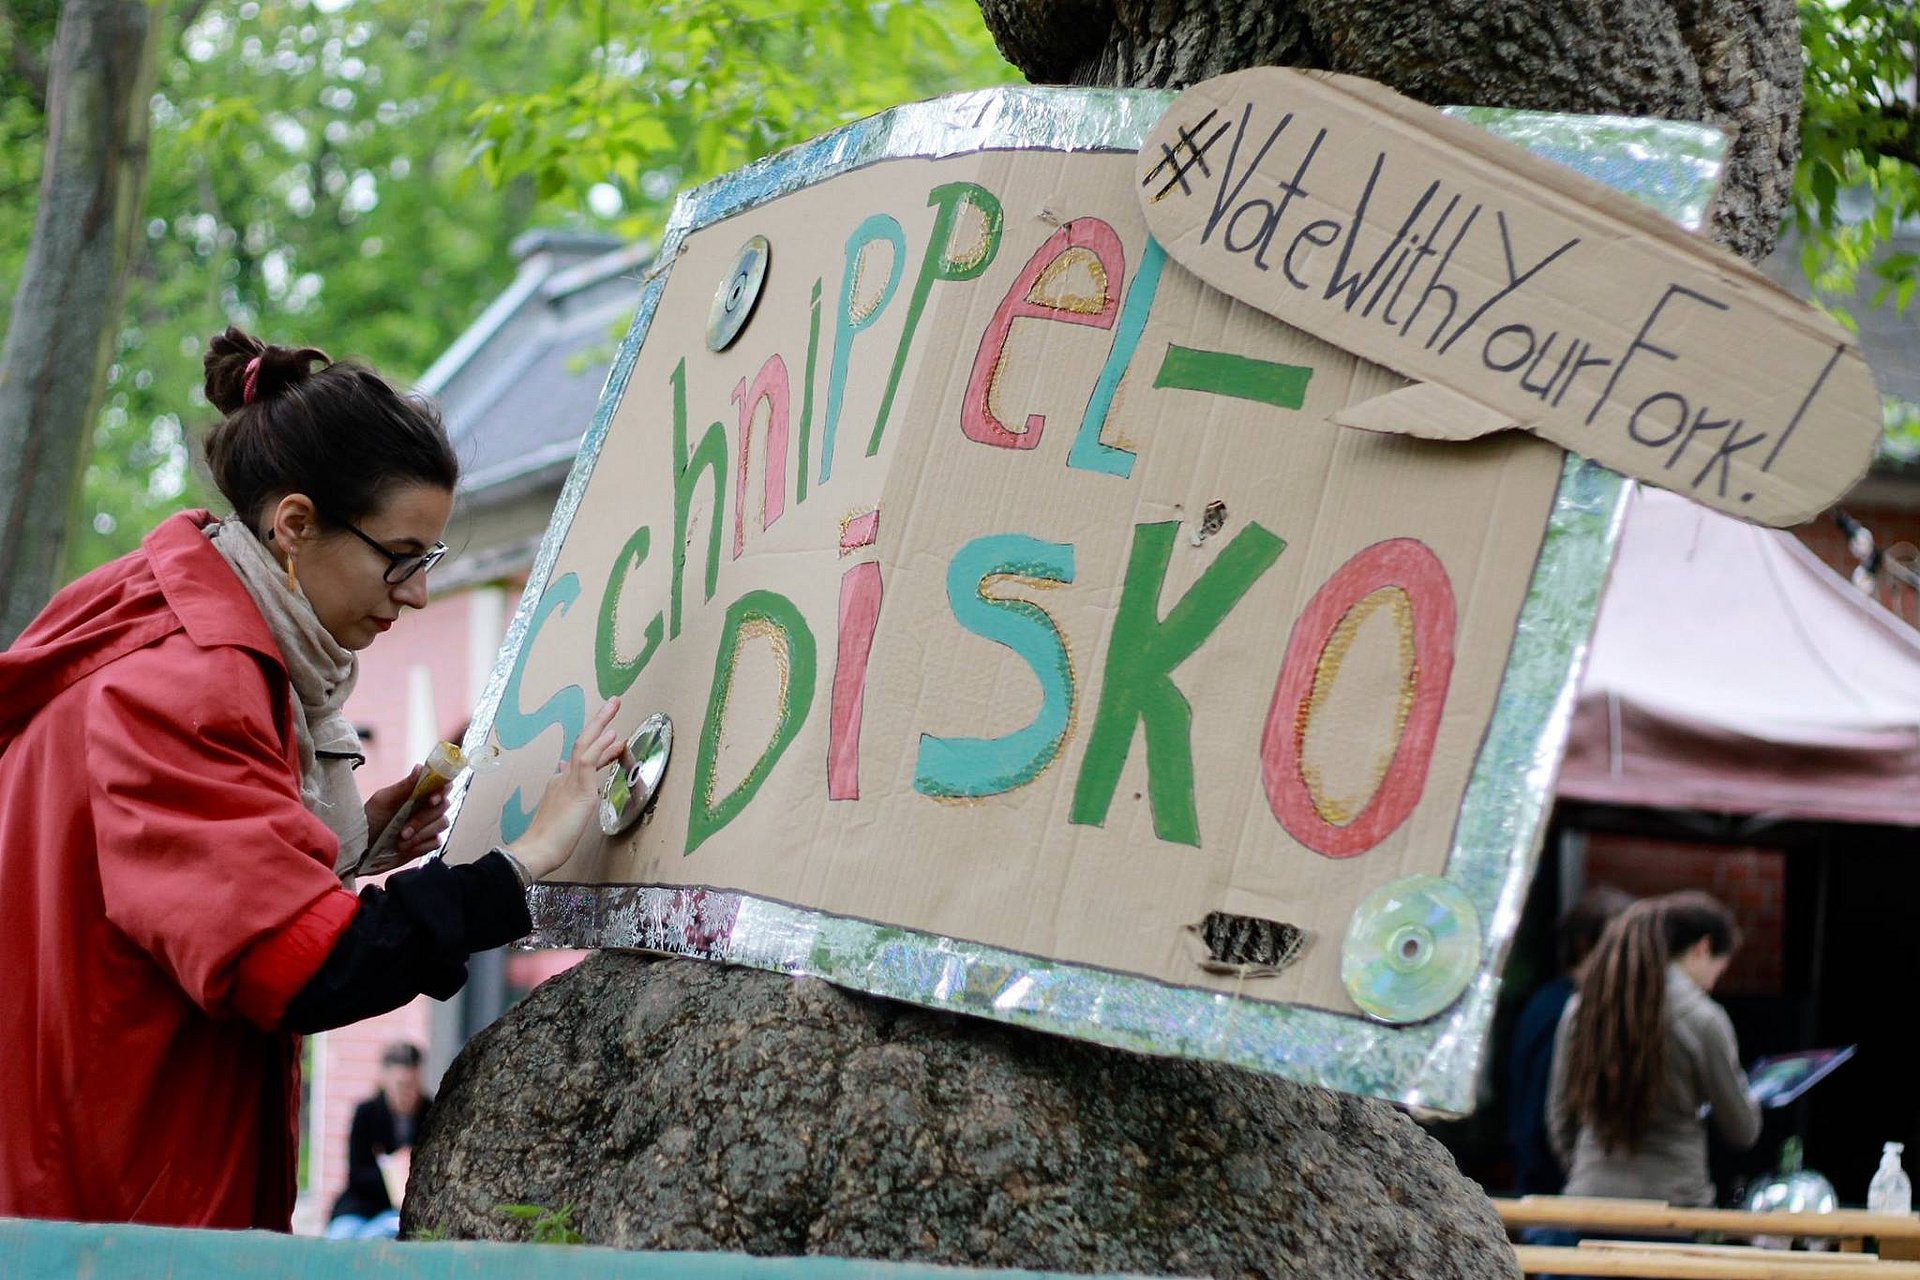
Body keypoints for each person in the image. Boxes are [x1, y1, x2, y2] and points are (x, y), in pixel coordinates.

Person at [0, 327, 623, 1231]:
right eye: (401, 556)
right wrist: (520, 866)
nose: (413, 593)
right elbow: (304, 970)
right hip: (114, 1205)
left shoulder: (156, 618)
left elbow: (159, 892)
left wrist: (338, 841)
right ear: (294, 525)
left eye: (430, 564)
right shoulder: (186, 681)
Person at [1548, 890, 1762, 1207]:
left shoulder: (1581, 1008)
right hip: (1674, 1203)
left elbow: (1560, 1119)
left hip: (1588, 1199)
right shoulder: (1704, 1018)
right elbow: (1742, 1129)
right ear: (1703, 948)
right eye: (1719, 969)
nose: (1712, 984)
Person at [1507, 885, 1634, 1195]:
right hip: (1553, 1193)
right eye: (1621, 944)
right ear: (1584, 945)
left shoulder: (1552, 1001)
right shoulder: (1566, 1009)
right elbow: (1543, 1115)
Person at [325, 1042, 431, 1239]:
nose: (407, 1093)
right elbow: (356, 1173)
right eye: (401, 1085)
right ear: (385, 1080)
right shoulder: (367, 1113)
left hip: (400, 1210)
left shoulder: (429, 1112)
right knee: (340, 1237)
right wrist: (392, 1170)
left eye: (412, 1085)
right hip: (361, 1204)